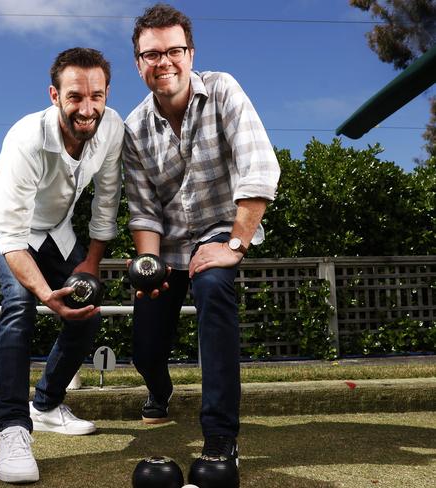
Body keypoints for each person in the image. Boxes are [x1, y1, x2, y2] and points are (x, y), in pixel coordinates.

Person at [123, 3, 281, 481]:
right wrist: (148, 266)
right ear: (138, 63)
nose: (164, 62)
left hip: (219, 230)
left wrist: (234, 245)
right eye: (152, 54)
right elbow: (144, 209)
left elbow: (259, 169)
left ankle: (219, 440)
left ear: (190, 53)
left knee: (214, 290)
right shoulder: (133, 128)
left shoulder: (224, 89)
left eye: (174, 50)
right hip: (166, 245)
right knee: (145, 347)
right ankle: (159, 389)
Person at [0, 47, 123, 484]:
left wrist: (91, 266)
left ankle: (45, 406)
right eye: (75, 96)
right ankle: (12, 429)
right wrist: (46, 296)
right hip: (8, 230)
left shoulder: (111, 127)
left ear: (106, 94)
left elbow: (107, 200)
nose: (87, 107)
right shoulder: (26, 139)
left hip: (57, 231)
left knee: (88, 307)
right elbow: (13, 236)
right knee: (19, 305)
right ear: (55, 95)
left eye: (95, 96)